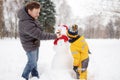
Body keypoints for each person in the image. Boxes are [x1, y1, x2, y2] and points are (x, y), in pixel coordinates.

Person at [17, 1, 59, 80]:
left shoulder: (30, 18)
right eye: (36, 12)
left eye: (39, 12)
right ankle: (24, 76)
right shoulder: (26, 23)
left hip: (34, 43)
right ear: (29, 11)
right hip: (29, 45)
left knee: (35, 60)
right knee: (32, 62)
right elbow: (40, 35)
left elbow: (39, 28)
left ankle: (35, 74)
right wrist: (55, 36)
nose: (38, 14)